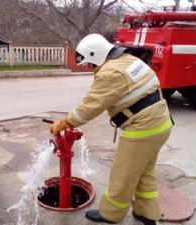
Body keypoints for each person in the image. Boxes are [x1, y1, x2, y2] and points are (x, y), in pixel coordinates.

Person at [50, 33, 172, 225]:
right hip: (160, 123)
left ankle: (111, 214)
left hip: (143, 129)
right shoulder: (127, 60)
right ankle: (147, 214)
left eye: (90, 63)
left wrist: (66, 122)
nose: (91, 68)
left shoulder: (110, 73)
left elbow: (90, 106)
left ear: (95, 55)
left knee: (122, 174)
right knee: (144, 171)